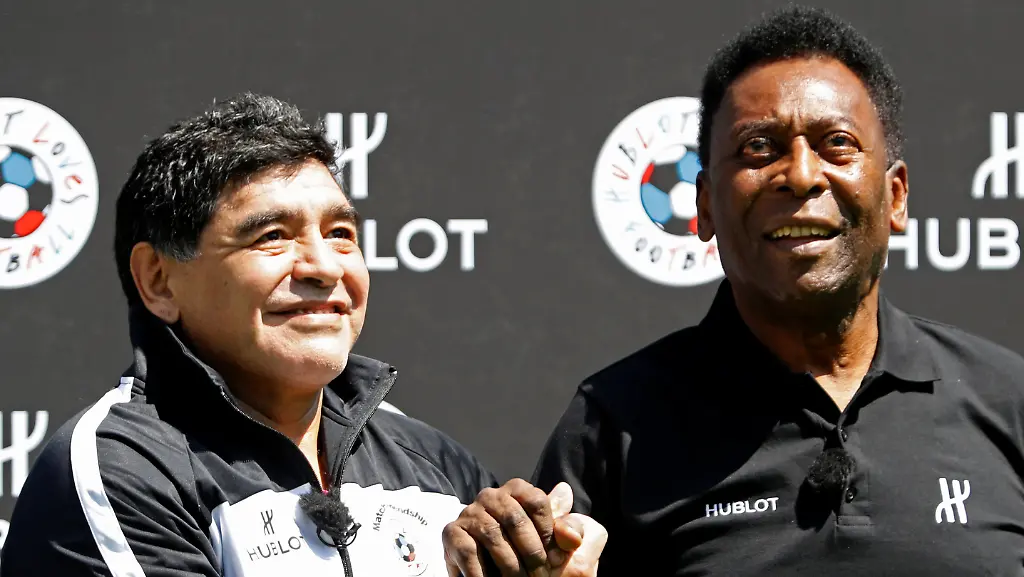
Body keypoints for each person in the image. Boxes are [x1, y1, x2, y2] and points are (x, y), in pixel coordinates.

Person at [0, 93, 605, 577]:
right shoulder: (119, 471)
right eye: (272, 237)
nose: (323, 266)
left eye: (342, 234)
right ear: (159, 280)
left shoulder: (432, 461)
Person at [527, 5, 1024, 575]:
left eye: (837, 143)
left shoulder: (1006, 402)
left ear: (896, 197)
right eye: (759, 148)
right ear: (704, 206)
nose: (803, 175)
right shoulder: (612, 426)